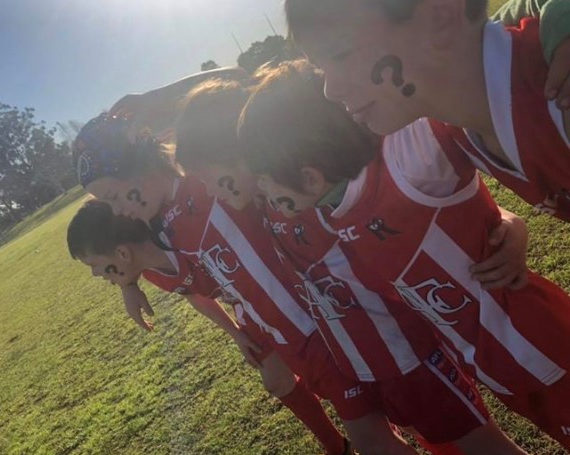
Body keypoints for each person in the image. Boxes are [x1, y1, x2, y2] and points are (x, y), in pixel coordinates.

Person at [236, 59, 570, 450]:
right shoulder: (330, 213)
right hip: (495, 366)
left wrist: (510, 222)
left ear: (310, 178)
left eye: (265, 180)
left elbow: (466, 84)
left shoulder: (406, 163)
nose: (261, 191)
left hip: (542, 345)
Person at [67, 199, 354, 455]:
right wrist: (236, 334)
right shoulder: (149, 270)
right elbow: (196, 296)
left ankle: (364, 429)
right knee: (276, 381)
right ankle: (337, 447)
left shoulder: (177, 236)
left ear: (121, 253)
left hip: (276, 293)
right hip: (247, 309)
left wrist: (128, 285)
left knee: (329, 372)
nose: (95, 274)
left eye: (94, 265)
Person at [283, 0, 570, 221]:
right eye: (321, 67)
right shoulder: (453, 123)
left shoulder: (554, 88)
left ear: (441, 16)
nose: (330, 90)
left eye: (341, 54)